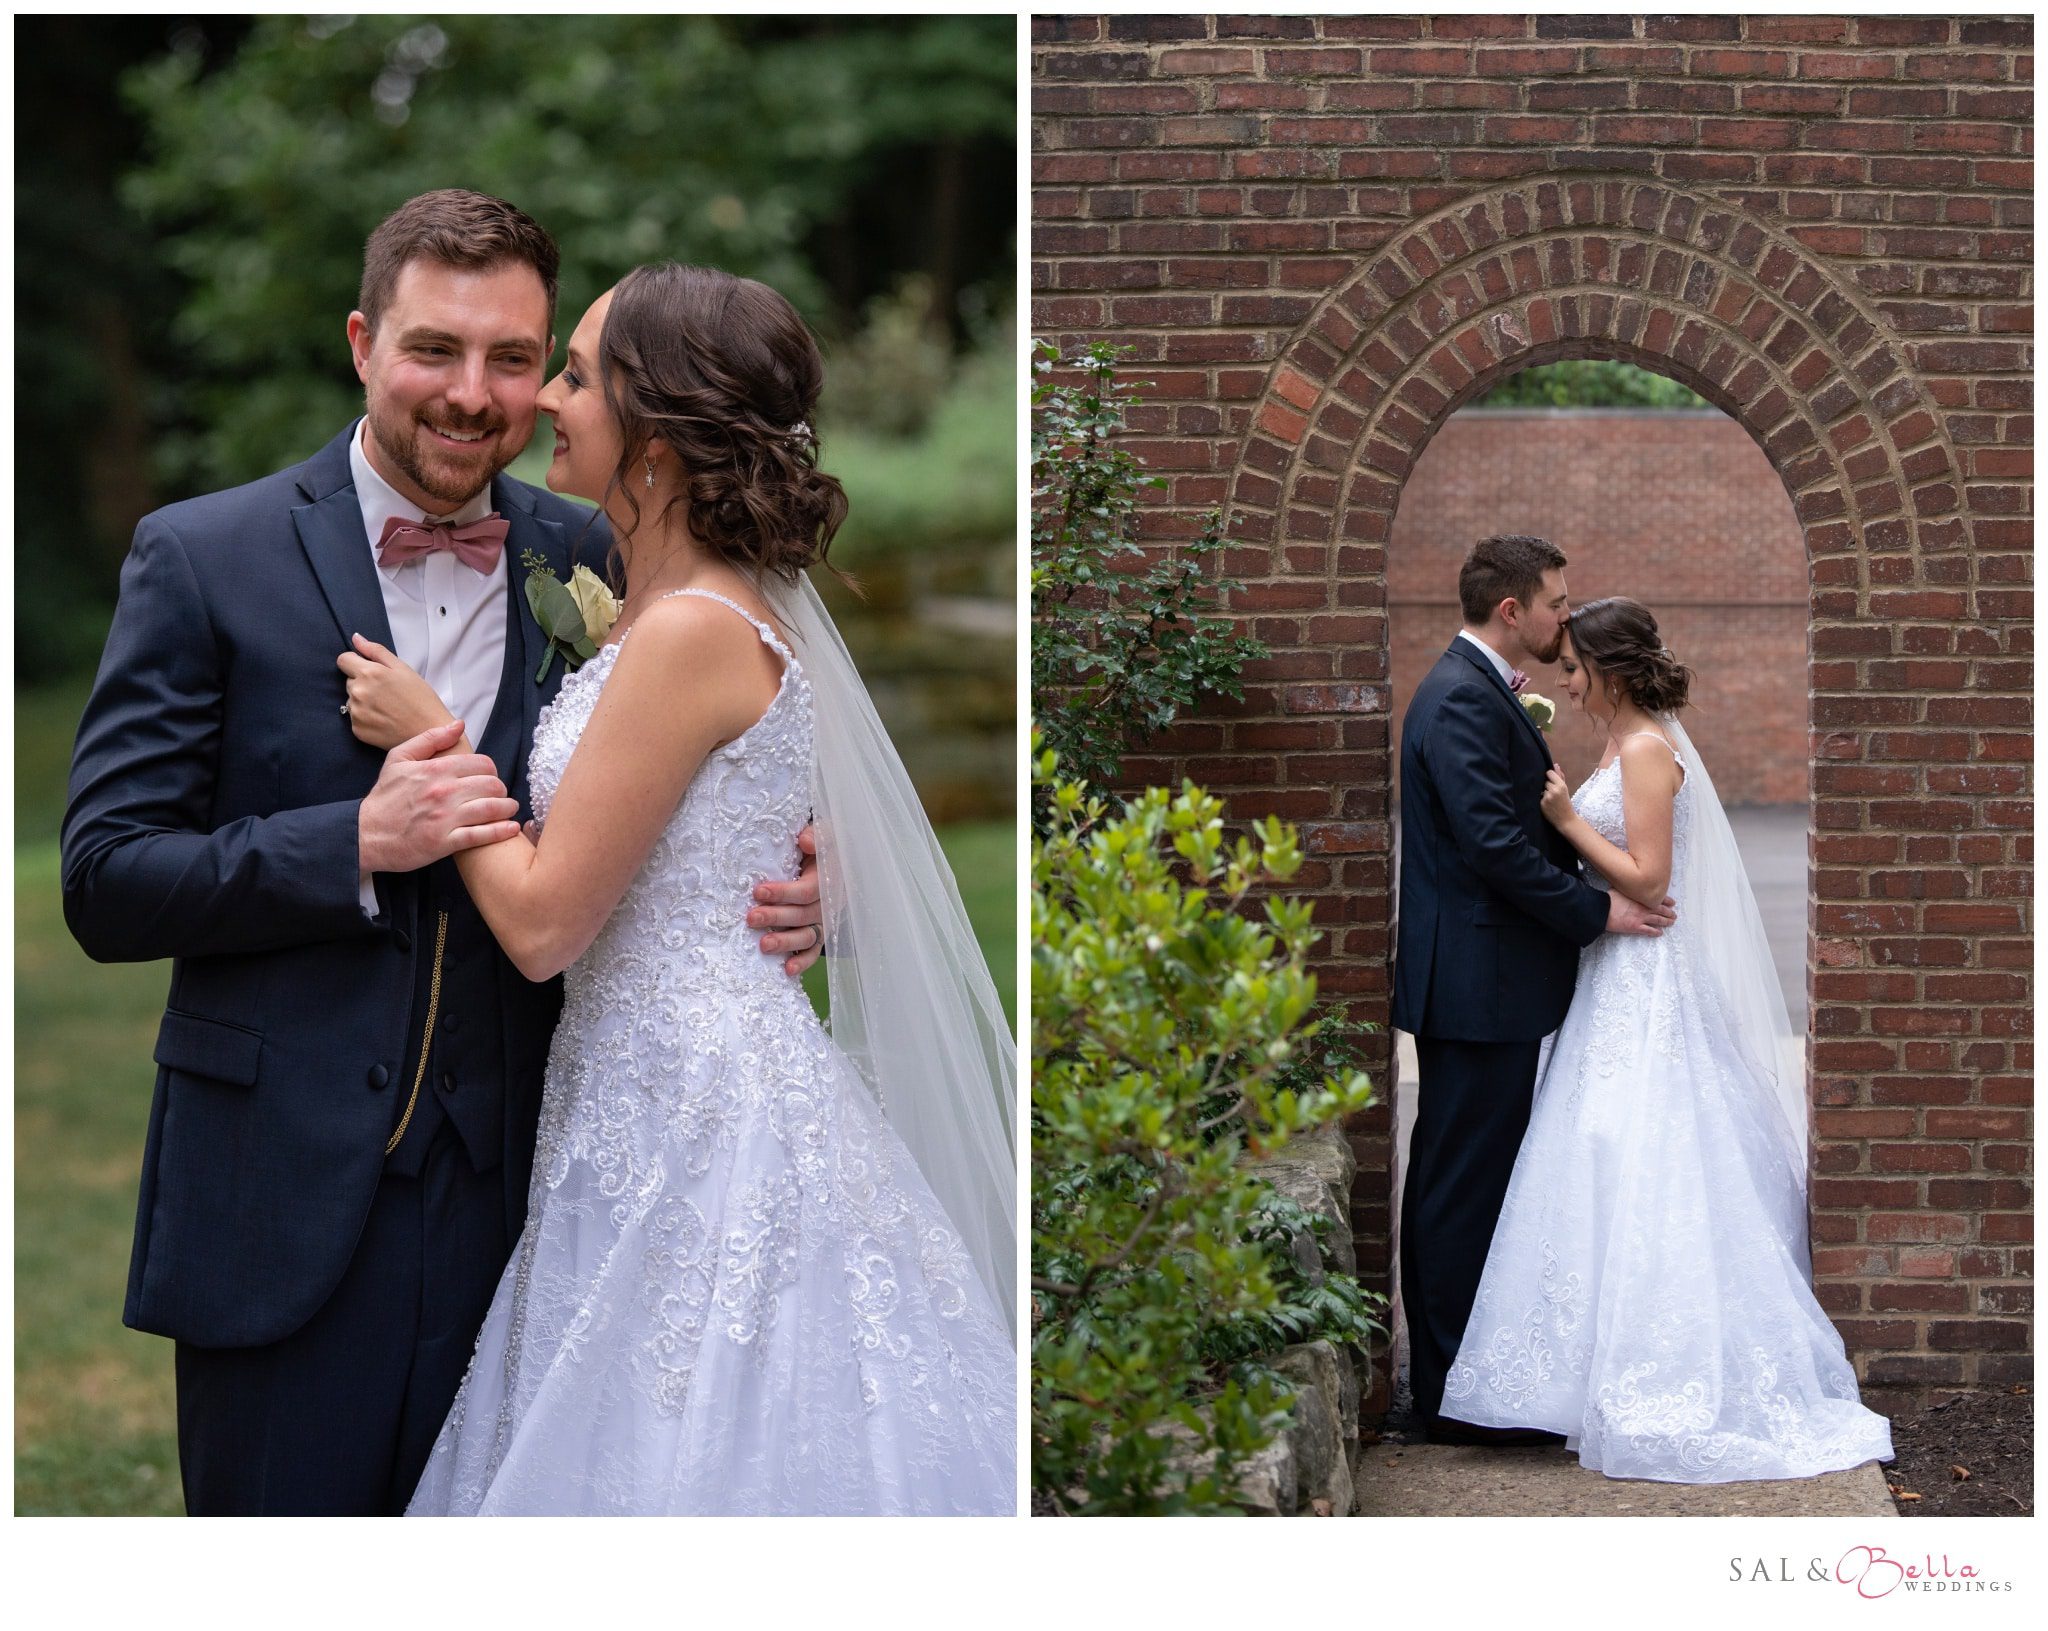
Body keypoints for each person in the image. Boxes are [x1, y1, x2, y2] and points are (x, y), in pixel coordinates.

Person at [59, 191, 824, 1517]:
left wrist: (819, 883)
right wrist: (350, 838)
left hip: (536, 1198)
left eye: (518, 360)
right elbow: (106, 875)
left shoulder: (604, 551)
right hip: (280, 1199)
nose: (474, 394)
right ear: (363, 342)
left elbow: (734, 747)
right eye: (434, 349)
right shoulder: (203, 556)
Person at [339, 262, 1017, 1516]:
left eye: (579, 374)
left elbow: (543, 924)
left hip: (696, 1106)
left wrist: (431, 736)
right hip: (639, 1083)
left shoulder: (688, 629)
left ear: (654, 437)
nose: (546, 397)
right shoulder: (665, 610)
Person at [1440, 598, 1894, 1480]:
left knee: (1647, 1150)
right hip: (1611, 977)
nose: (1565, 684)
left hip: (1647, 978)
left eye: (1574, 670)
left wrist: (1569, 822)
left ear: (1611, 669)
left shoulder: (1649, 751)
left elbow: (1651, 879)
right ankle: (1573, 1380)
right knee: (1594, 1152)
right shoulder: (1619, 743)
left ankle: (1657, 1370)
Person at [1391, 535, 1676, 1444]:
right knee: (1458, 1185)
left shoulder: (1477, 691)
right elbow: (1495, 849)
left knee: (1472, 1179)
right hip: (1476, 985)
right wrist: (1595, 915)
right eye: (1555, 600)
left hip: (1491, 981)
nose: (1565, 614)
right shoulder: (1461, 700)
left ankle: (1478, 1378)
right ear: (1511, 611)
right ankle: (1448, 1398)